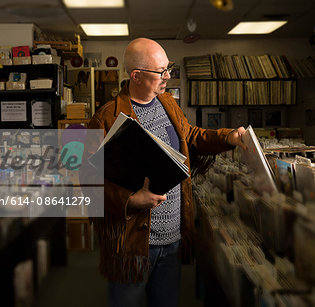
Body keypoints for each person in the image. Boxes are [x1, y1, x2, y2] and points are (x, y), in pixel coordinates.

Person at [86, 38, 246, 307]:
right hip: (132, 246)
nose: (168, 76)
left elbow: (191, 136)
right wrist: (130, 200)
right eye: (161, 71)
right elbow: (87, 181)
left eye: (168, 67)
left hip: (172, 239)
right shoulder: (105, 118)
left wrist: (228, 137)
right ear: (136, 76)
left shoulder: (167, 103)